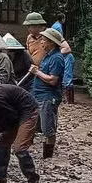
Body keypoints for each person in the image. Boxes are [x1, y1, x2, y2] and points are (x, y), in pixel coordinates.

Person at [30, 27, 65, 159]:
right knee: (42, 126)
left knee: (48, 128)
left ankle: (48, 157)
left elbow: (53, 80)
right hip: (39, 95)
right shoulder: (48, 56)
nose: (42, 43)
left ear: (51, 42)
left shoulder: (56, 58)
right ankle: (45, 154)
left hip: (48, 97)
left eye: (44, 40)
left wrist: (37, 72)